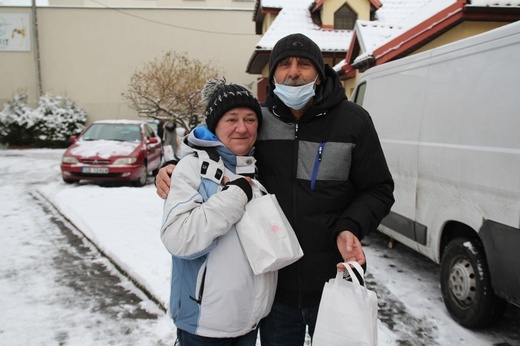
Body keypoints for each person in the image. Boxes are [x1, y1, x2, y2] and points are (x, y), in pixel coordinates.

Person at [156, 33, 394, 345]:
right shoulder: (259, 120)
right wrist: (174, 162)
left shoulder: (354, 122)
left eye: (304, 64)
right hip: (274, 291)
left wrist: (351, 226)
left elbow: (379, 188)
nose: (294, 72)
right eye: (284, 65)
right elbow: (217, 142)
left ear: (319, 75)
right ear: (273, 75)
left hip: (332, 281)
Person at [160, 78, 277, 346]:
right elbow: (178, 238)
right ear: (214, 125)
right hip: (204, 327)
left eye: (250, 119)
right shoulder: (191, 168)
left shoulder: (259, 168)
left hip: (250, 324)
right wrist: (235, 196)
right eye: (232, 119)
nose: (242, 128)